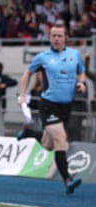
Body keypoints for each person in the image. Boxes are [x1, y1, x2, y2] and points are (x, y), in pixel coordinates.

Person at [16, 21, 85, 195]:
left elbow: (81, 71)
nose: (56, 38)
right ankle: (67, 180)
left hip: (66, 107)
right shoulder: (43, 57)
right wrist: (23, 95)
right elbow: (27, 73)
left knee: (48, 145)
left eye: (59, 35)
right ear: (50, 37)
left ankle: (29, 133)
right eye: (53, 35)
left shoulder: (75, 55)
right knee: (61, 139)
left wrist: (81, 83)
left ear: (66, 38)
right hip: (48, 105)